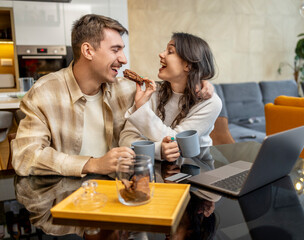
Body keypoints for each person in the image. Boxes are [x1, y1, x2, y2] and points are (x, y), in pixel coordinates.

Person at [11, 14, 213, 177]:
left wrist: (201, 81)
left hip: (121, 192)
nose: (124, 60)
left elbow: (170, 89)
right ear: (88, 51)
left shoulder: (127, 89)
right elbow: (25, 156)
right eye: (115, 50)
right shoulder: (44, 93)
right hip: (69, 200)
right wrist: (93, 164)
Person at [119, 32, 222, 161]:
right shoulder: (153, 92)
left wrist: (141, 110)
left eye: (170, 51)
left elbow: (177, 142)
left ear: (188, 65)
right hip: (156, 168)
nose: (161, 54)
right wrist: (158, 150)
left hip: (196, 168)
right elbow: (126, 138)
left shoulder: (210, 103)